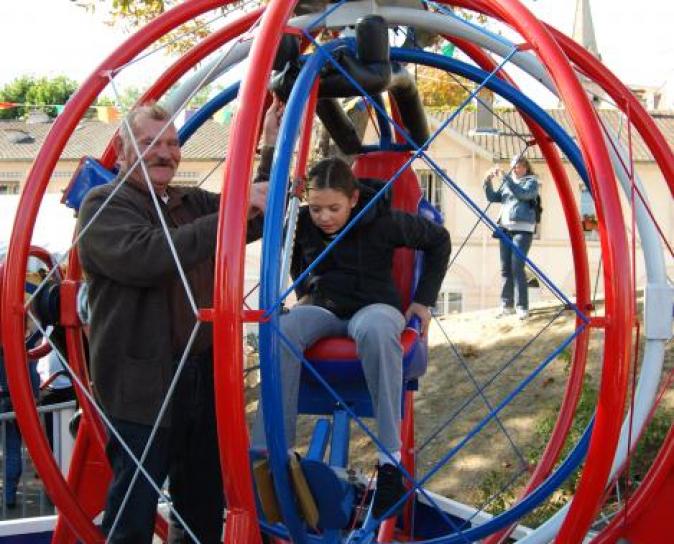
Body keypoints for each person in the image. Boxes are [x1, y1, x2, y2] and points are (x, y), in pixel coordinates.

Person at [77, 103, 267, 543]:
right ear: (124, 152)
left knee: (201, 506)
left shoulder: (188, 202)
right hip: (141, 384)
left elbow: (252, 214)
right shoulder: (104, 204)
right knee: (134, 511)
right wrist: (228, 218)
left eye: (171, 143)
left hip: (200, 376)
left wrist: (271, 143)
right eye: (150, 144)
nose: (164, 153)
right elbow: (149, 257)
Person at [252, 101, 451, 519]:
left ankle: (390, 459)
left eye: (334, 209)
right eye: (316, 207)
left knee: (378, 330)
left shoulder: (383, 221)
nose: (323, 217)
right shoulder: (304, 220)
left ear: (354, 198)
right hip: (323, 308)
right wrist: (271, 144)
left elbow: (438, 240)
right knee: (281, 330)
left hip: (373, 306)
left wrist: (424, 298)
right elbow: (264, 203)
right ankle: (276, 453)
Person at [483, 156, 539, 320]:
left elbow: (522, 194)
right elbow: (493, 197)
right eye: (514, 167)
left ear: (526, 168)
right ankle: (506, 305)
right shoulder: (508, 183)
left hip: (522, 229)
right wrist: (487, 181)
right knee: (505, 268)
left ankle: (522, 306)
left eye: (520, 166)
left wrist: (506, 178)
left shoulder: (531, 182)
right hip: (505, 229)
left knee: (517, 266)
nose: (517, 169)